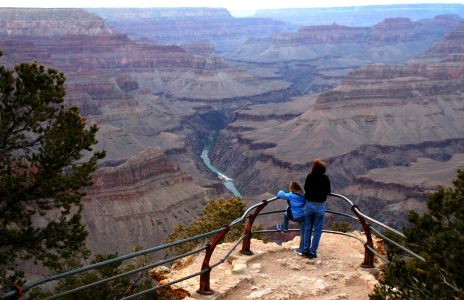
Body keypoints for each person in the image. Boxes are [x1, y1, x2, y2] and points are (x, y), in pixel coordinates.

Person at [303, 159, 331, 259]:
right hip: (320, 206)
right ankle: (313, 252)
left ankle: (305, 250)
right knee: (317, 230)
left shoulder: (309, 176)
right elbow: (328, 192)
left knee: (307, 228)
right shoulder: (325, 178)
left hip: (309, 205)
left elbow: (305, 188)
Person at [276, 181, 306, 255]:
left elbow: (280, 194)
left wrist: (281, 190)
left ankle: (284, 229)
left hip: (295, 216)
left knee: (286, 214)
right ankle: (302, 250)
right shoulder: (303, 195)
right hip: (303, 216)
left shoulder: (291, 195)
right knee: (303, 233)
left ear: (292, 188)